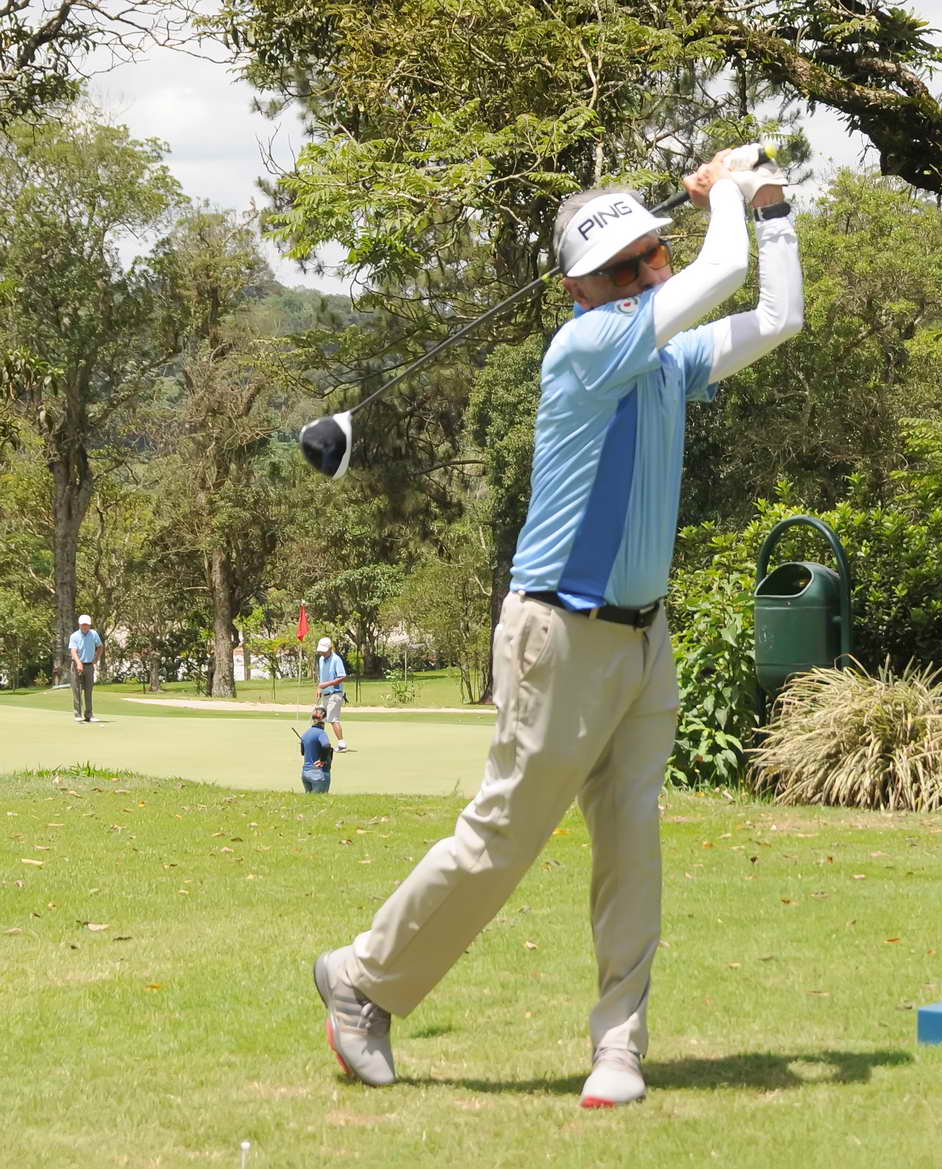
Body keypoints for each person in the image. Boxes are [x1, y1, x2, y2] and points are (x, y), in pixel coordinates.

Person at [310, 148, 802, 1108]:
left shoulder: (667, 359)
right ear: (581, 289)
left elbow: (776, 314)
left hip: (644, 639)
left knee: (632, 842)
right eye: (622, 269)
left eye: (653, 255)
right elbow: (723, 270)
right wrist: (730, 194)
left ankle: (620, 1045)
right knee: (502, 835)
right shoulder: (585, 350)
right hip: (559, 634)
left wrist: (772, 206)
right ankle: (361, 982)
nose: (647, 274)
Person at [314, 636, 350, 751]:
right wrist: (319, 688)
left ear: (330, 648)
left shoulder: (336, 659)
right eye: (321, 651)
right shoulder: (321, 659)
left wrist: (326, 685)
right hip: (325, 694)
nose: (322, 653)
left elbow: (342, 677)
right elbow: (322, 677)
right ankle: (320, 742)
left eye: (324, 651)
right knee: (320, 718)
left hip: (335, 693)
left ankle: (342, 744)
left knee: (332, 719)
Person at [67, 614, 102, 723]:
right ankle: (78, 714)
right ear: (79, 624)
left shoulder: (94, 634)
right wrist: (78, 663)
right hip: (76, 665)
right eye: (83, 624)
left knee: (88, 691)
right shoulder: (74, 636)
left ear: (89, 625)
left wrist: (96, 658)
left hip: (89, 665)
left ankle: (89, 715)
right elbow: (73, 651)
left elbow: (100, 646)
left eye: (86, 624)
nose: (85, 626)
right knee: (77, 690)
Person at [300, 706, 335, 794]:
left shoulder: (306, 733)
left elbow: (303, 752)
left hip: (305, 773)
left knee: (309, 800)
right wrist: (322, 760)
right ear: (324, 720)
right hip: (318, 773)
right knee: (320, 799)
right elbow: (326, 746)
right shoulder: (321, 733)